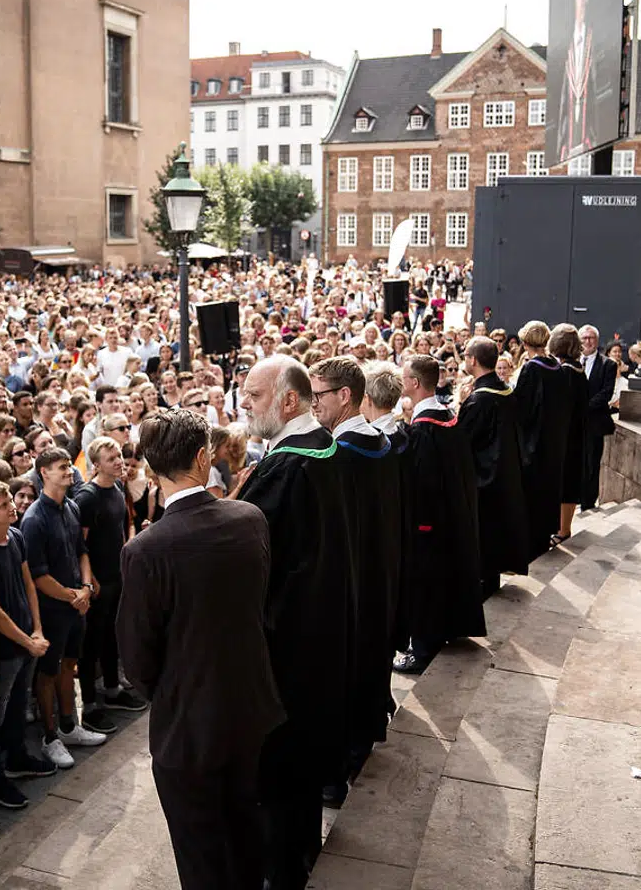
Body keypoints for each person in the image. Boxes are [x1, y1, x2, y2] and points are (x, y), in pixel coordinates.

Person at [117, 408, 282, 890]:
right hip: (252, 708)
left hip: (188, 727)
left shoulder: (146, 550)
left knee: (201, 858)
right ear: (203, 456)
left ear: (152, 468)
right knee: (247, 840)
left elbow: (137, 656)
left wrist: (174, 689)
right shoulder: (249, 519)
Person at [236, 355, 351, 889]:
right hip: (317, 633)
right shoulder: (324, 447)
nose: (245, 404)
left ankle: (281, 871)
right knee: (302, 759)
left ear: (288, 400)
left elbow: (253, 558)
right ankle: (300, 853)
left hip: (284, 645)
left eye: (255, 395)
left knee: (280, 765)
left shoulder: (287, 466)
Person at [307, 356, 403, 803]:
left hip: (348, 585)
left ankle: (337, 769)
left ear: (345, 395)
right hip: (378, 576)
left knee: (343, 671)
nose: (313, 404)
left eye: (318, 395)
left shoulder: (339, 455)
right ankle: (361, 742)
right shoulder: (380, 442)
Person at [394, 354, 485, 672]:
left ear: (414, 382)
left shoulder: (424, 429)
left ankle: (422, 649)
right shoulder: (447, 416)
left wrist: (419, 525)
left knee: (427, 581)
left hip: (429, 522)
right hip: (453, 514)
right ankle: (451, 626)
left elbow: (423, 483)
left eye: (404, 376)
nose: (402, 380)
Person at [21, 446, 108, 769]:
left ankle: (69, 726)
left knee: (70, 665)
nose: (69, 470)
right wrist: (74, 596)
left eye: (68, 465)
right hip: (52, 610)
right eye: (61, 467)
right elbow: (38, 576)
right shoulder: (34, 519)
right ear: (44, 473)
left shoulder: (71, 506)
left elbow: (81, 551)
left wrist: (85, 588)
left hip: (75, 605)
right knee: (48, 672)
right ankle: (50, 736)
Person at [0, 478, 52, 805]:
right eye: (3, 505)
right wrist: (27, 641)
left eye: (9, 502)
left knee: (18, 705)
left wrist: (37, 629)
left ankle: (17, 758)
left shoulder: (16, 536)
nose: (12, 508)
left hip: (26, 639)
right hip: (4, 649)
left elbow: (28, 584)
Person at [75, 436, 147, 736]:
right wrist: (90, 580)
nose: (119, 462)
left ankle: (113, 689)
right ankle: (90, 706)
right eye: (112, 459)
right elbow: (80, 544)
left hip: (117, 576)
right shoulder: (87, 497)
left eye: (119, 455)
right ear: (96, 465)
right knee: (90, 644)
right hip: (98, 582)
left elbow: (123, 526)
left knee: (111, 636)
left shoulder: (117, 488)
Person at [457, 337, 529, 590]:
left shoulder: (479, 399)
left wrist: (461, 404)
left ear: (473, 360)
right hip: (505, 474)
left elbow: (462, 440)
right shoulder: (505, 391)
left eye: (466, 356)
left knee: (484, 535)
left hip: (483, 477)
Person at [511, 320, 573, 563]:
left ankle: (531, 545)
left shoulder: (531, 369)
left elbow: (522, 409)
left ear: (525, 343)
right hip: (554, 442)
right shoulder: (557, 367)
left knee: (532, 495)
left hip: (533, 446)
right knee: (549, 492)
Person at [550, 324, 590, 544]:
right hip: (575, 432)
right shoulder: (577, 369)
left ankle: (563, 529)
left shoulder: (565, 372)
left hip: (566, 434)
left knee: (566, 481)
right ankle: (563, 527)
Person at [577, 325, 617, 509]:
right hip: (573, 423)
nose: (588, 341)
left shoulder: (608, 365)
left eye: (591, 338)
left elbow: (606, 393)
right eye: (584, 338)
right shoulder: (572, 362)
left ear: (597, 340)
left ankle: (588, 503)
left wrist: (583, 408)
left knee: (591, 464)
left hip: (594, 423)